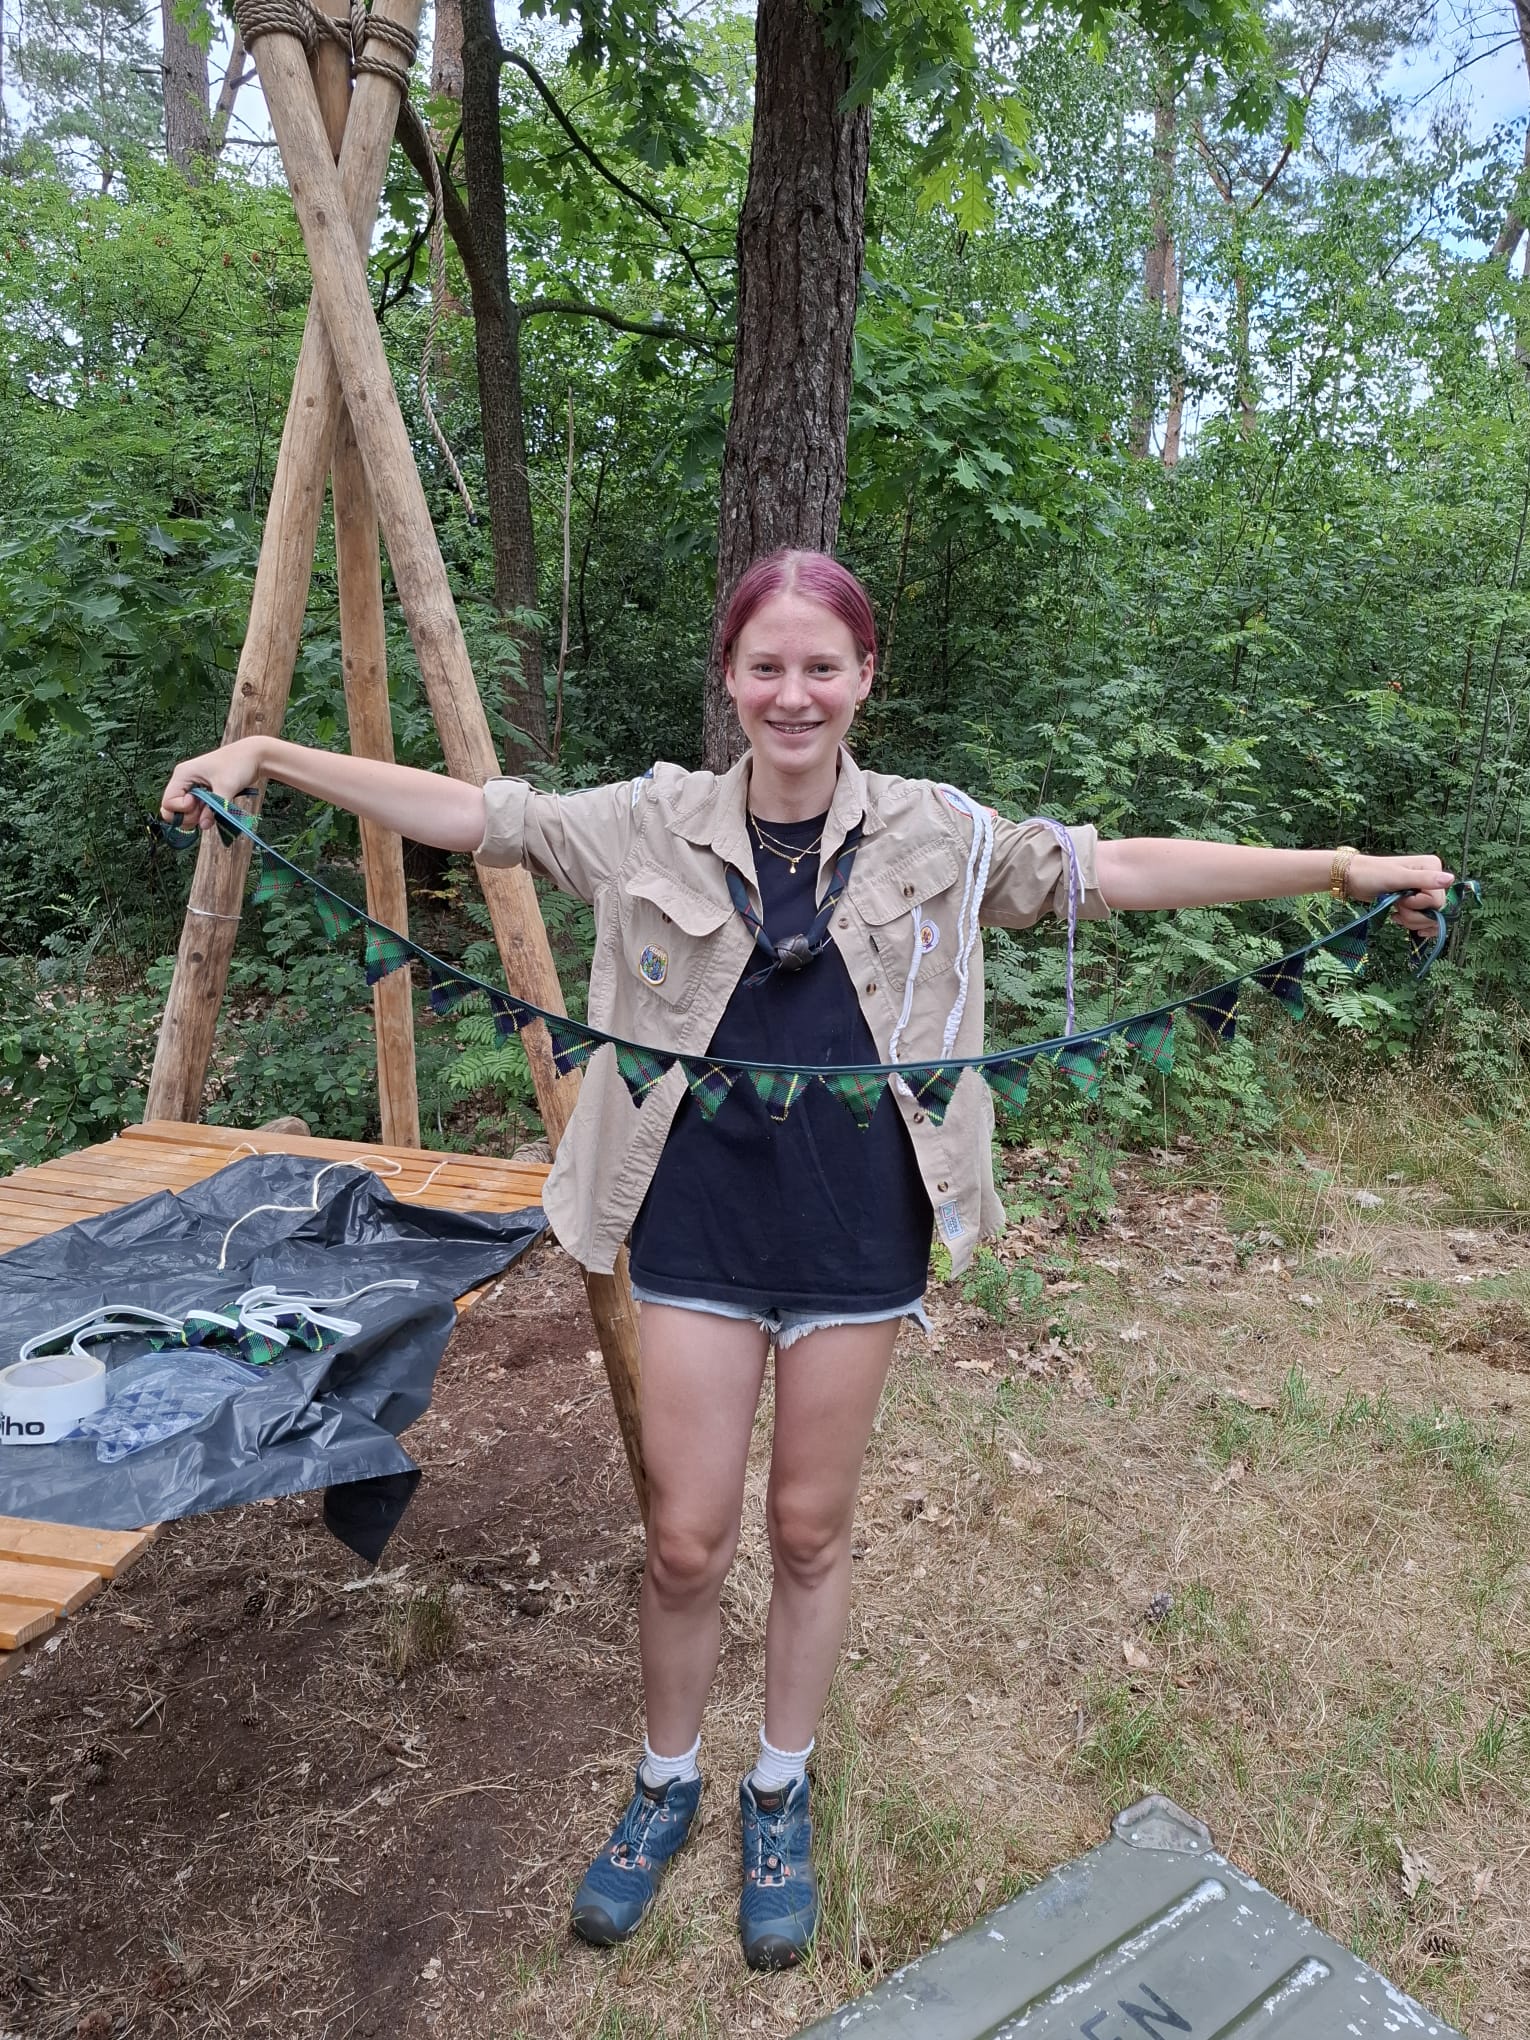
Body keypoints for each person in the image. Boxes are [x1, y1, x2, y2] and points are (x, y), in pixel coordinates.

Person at [160, 548, 1452, 1970]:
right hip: (696, 1226)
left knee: (809, 1532)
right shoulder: (648, 824)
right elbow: (481, 816)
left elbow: (1115, 866)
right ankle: (664, 1780)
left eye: (820, 667)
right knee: (684, 1539)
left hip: (856, 1235)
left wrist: (1343, 869)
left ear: (862, 678)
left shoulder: (938, 834)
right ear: (729, 676)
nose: (793, 694)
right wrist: (270, 755)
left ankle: (778, 1785)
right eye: (766, 665)